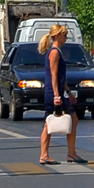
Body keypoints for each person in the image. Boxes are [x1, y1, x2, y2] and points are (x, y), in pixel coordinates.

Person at [38, 23, 86, 165]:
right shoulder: (54, 52)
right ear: (57, 35)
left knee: (71, 119)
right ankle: (45, 155)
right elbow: (53, 76)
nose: (66, 38)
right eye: (64, 35)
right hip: (52, 93)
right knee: (49, 123)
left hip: (57, 91)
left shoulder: (57, 51)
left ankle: (71, 154)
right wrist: (57, 96)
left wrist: (68, 92)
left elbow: (59, 77)